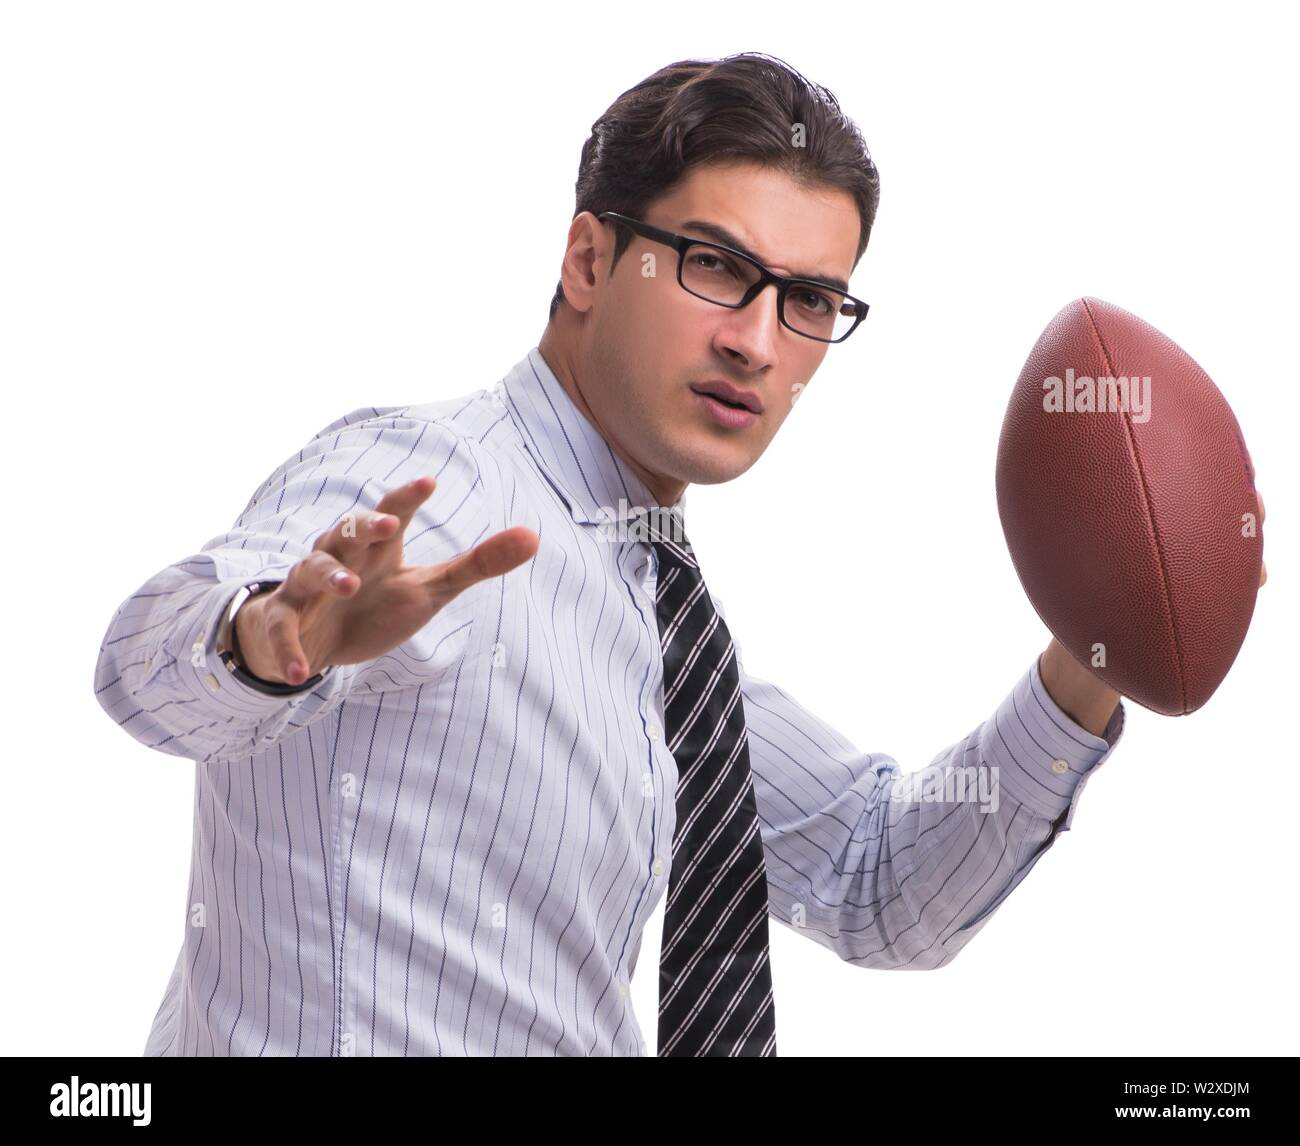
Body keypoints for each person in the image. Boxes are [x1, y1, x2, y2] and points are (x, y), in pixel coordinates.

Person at [95, 51, 1257, 1058]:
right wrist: (270, 641)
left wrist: (1098, 638)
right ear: (591, 262)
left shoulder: (656, 624)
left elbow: (876, 882)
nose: (756, 341)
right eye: (714, 266)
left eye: (809, 299)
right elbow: (147, 669)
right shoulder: (429, 488)